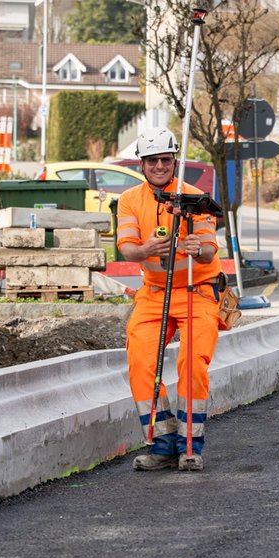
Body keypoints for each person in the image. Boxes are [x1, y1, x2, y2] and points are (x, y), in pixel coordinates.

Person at [116, 129, 222, 472]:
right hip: (155, 293)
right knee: (142, 362)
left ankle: (190, 445)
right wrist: (144, 250)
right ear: (142, 164)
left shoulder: (196, 198)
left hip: (198, 290)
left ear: (174, 160)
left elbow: (208, 250)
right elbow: (126, 246)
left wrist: (198, 250)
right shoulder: (130, 199)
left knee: (191, 364)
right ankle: (162, 443)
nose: (159, 166)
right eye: (152, 161)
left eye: (165, 159)